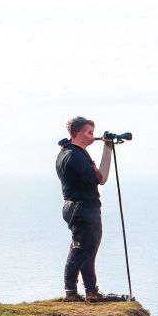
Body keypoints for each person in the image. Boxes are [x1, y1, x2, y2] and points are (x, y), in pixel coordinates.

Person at [55, 116, 114, 301]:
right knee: (81, 249)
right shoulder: (76, 156)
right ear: (77, 134)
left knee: (86, 248)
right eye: (89, 133)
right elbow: (100, 178)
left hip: (75, 207)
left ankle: (90, 291)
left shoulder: (66, 152)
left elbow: (99, 177)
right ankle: (71, 292)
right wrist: (108, 148)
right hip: (84, 208)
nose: (92, 136)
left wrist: (107, 148)